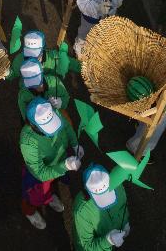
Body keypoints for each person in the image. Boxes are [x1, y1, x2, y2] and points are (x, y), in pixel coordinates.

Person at [19, 96, 81, 230]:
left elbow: (67, 127)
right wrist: (64, 166)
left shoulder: (53, 112)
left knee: (51, 184)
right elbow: (40, 173)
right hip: (40, 173)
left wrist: (75, 144)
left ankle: (48, 196)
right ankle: (29, 212)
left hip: (57, 163)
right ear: (33, 125)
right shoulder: (27, 141)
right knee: (32, 196)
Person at [73, 164, 130, 251]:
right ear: (87, 190)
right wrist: (108, 241)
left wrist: (125, 222)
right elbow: (86, 246)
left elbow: (123, 207)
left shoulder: (118, 186)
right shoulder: (82, 211)